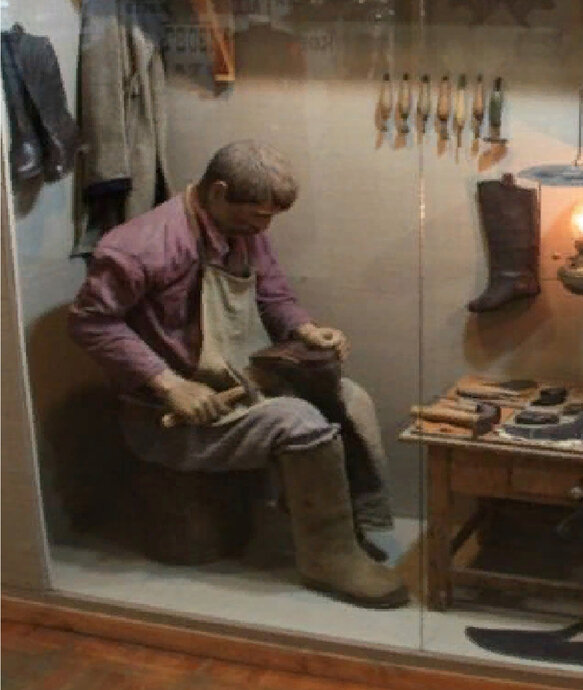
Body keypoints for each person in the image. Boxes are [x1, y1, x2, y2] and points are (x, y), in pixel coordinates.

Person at [68, 139, 407, 608]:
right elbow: (91, 322)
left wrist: (306, 330)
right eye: (258, 217)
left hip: (240, 385)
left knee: (350, 398)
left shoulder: (242, 229)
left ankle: (348, 530)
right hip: (175, 415)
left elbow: (272, 293)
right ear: (219, 192)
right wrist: (168, 384)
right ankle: (329, 559)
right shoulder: (141, 247)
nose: (264, 228)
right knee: (300, 423)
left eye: (269, 219)